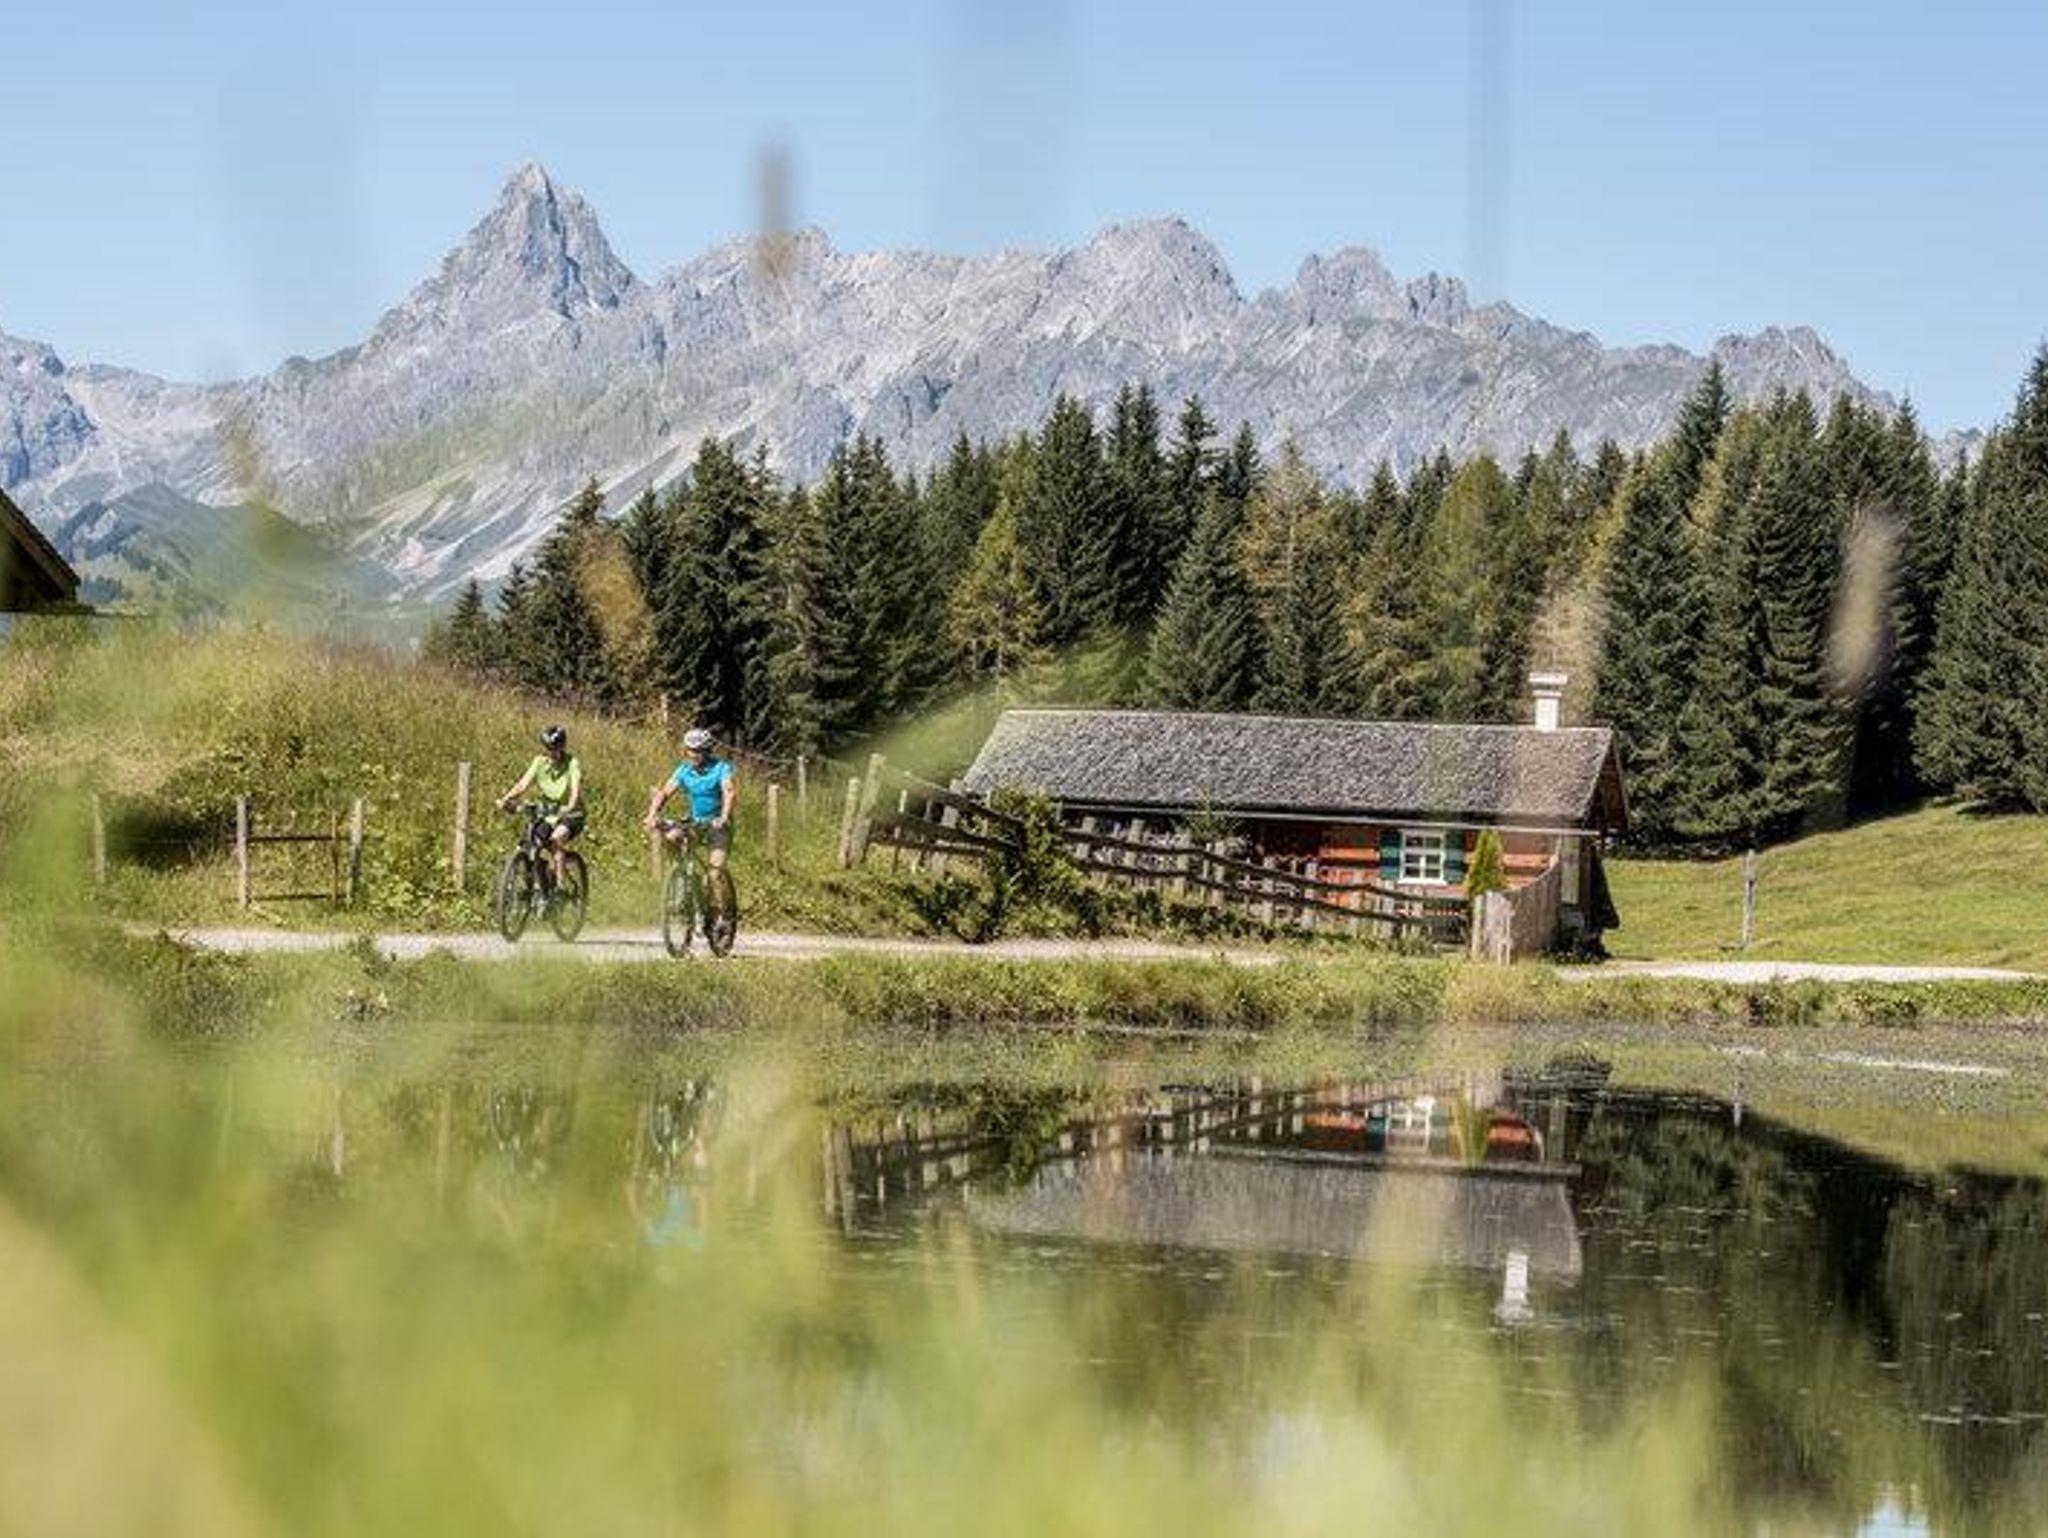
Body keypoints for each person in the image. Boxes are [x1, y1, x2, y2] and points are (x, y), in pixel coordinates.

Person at [643, 727, 735, 895]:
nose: (693, 755)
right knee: (672, 837)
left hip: (718, 825)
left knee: (714, 874)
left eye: (698, 751)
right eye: (690, 750)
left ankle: (720, 910)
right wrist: (652, 814)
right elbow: (665, 793)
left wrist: (724, 817)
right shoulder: (684, 770)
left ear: (707, 751)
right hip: (696, 822)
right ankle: (683, 877)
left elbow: (729, 792)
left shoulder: (721, 768)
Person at [498, 725, 584, 889]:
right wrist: (506, 799)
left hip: (571, 815)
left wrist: (570, 806)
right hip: (547, 814)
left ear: (562, 747)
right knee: (530, 842)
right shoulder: (539, 762)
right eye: (547, 748)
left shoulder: (572, 763)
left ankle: (560, 888)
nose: (550, 753)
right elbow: (522, 785)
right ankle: (537, 881)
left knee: (556, 839)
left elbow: (575, 789)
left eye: (554, 749)